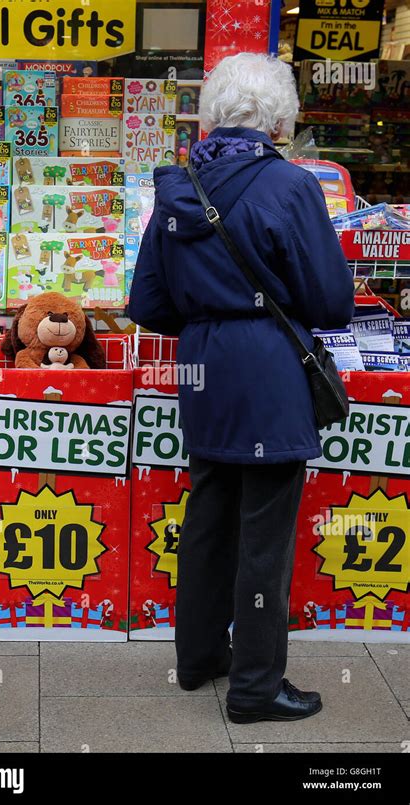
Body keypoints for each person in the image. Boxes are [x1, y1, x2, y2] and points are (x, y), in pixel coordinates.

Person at [128, 53, 355, 724]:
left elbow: (147, 301)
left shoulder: (180, 187)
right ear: (278, 118)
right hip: (268, 370)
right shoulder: (290, 186)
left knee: (207, 516)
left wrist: (207, 315)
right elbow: (331, 301)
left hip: (202, 368)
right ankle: (257, 685)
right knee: (264, 536)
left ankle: (197, 658)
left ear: (215, 111)